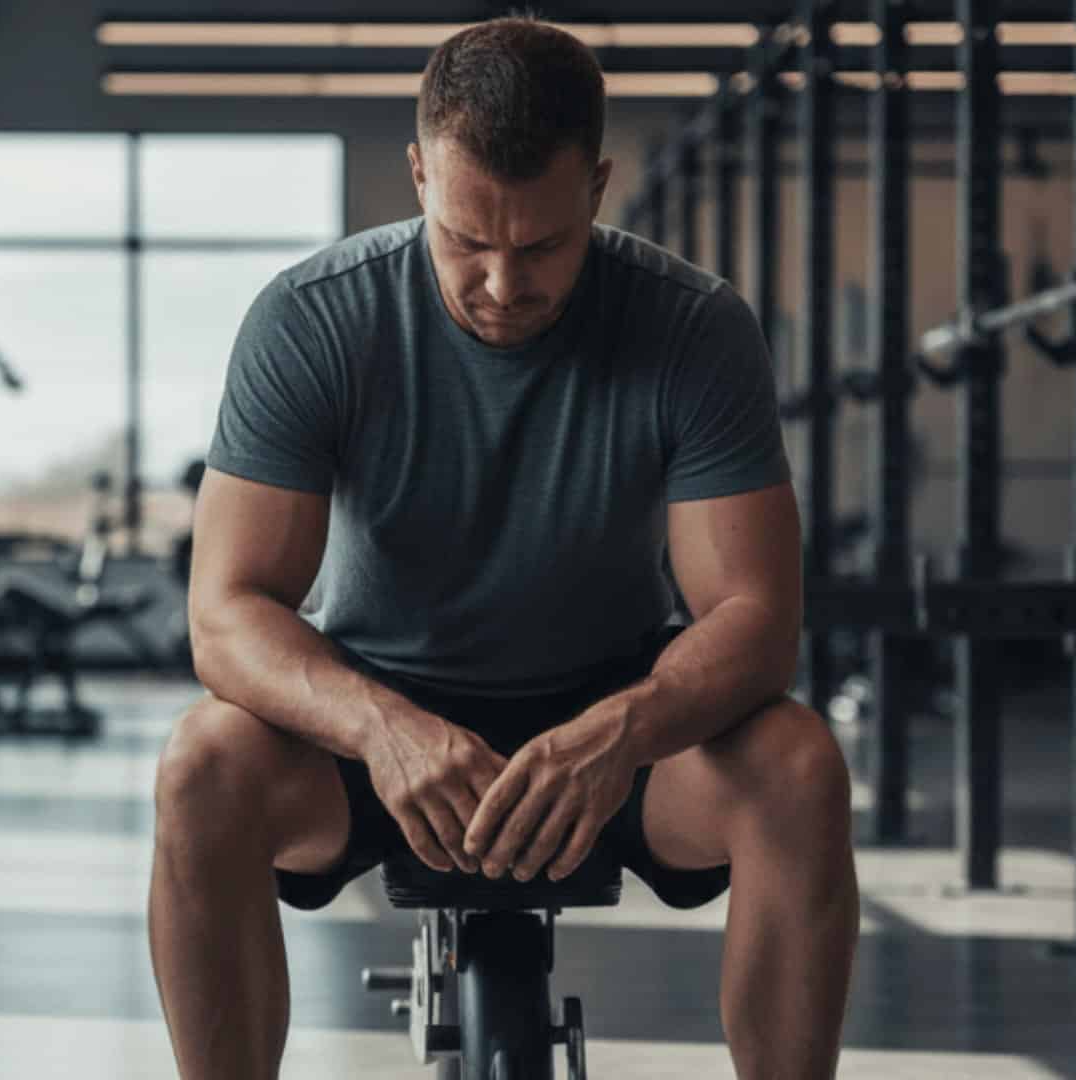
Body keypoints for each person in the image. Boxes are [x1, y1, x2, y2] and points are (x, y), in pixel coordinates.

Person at [148, 17, 858, 1079]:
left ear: (599, 185)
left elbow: (755, 619)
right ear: (420, 172)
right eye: (465, 242)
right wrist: (380, 725)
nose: (500, 284)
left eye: (540, 248)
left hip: (618, 729)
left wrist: (621, 730)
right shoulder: (312, 320)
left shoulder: (693, 327)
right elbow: (227, 611)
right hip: (372, 721)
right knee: (202, 765)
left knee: (798, 763)